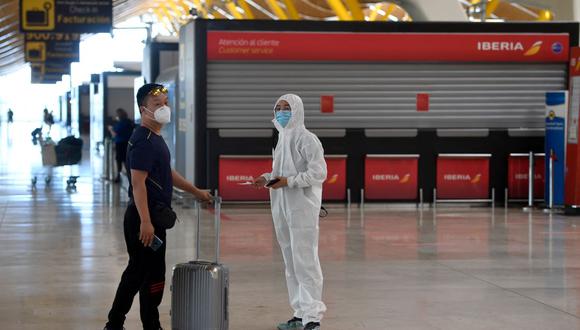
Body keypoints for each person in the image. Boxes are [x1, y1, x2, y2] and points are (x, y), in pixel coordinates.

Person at [104, 83, 212, 330]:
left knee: (151, 275)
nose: (164, 108)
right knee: (137, 273)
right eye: (157, 105)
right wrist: (145, 221)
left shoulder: (155, 138)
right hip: (144, 218)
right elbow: (138, 184)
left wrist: (195, 191)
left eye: (165, 103)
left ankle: (150, 324)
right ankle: (115, 324)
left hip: (152, 216)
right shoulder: (143, 140)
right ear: (144, 109)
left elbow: (167, 173)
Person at [252, 94, 327, 330]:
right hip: (282, 207)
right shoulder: (281, 138)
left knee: (305, 261)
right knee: (290, 261)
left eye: (287, 108)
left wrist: (289, 182)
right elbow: (280, 172)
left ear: (298, 111)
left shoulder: (307, 139)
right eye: (278, 108)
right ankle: (299, 312)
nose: (282, 112)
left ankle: (312, 317)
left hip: (302, 208)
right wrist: (266, 178)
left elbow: (318, 173)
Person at [108, 108, 135, 183]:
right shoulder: (129, 122)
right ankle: (130, 176)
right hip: (128, 143)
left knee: (119, 159)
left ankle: (119, 176)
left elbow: (115, 133)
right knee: (126, 160)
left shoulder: (120, 124)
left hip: (120, 144)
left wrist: (110, 129)